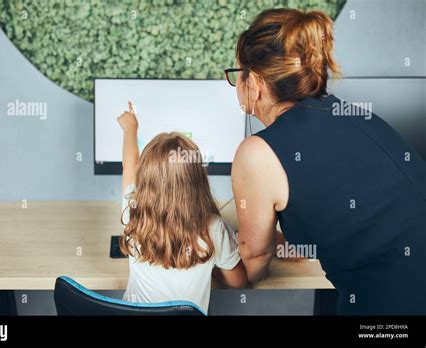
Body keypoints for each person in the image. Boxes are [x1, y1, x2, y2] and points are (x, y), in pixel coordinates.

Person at [228, 8, 426, 314]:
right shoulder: (356, 116)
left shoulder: (257, 153)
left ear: (254, 83)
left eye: (236, 75)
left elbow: (252, 262)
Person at [116, 102, 247, 314]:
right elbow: (238, 281)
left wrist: (130, 128)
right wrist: (214, 260)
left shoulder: (133, 208)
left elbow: (129, 164)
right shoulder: (213, 228)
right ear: (197, 180)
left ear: (145, 178)